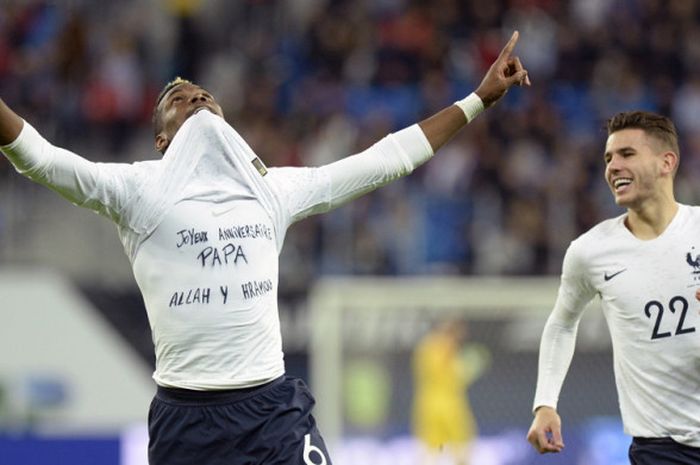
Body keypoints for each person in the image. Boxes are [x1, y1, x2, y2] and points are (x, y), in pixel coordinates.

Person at [0, 31, 528, 465]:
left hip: (270, 409)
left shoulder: (272, 189)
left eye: (205, 95)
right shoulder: (136, 191)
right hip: (186, 420)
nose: (197, 99)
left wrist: (477, 100)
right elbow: (41, 160)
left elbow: (384, 160)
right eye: (177, 101)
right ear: (161, 141)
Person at [527, 110, 700, 464]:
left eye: (627, 154)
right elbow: (562, 323)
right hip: (661, 448)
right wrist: (545, 403)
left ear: (667, 162)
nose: (613, 166)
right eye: (608, 158)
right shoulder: (590, 251)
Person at [412, 319, 489, 465]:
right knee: (462, 448)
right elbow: (456, 376)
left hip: (427, 405)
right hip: (451, 406)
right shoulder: (448, 347)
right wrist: (471, 366)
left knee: (429, 451)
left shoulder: (425, 348)